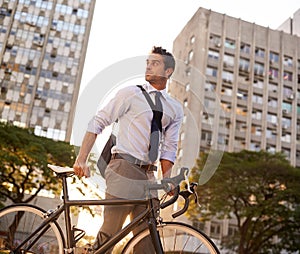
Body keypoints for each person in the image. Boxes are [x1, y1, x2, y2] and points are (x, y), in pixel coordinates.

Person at [73, 46, 184, 253]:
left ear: (168, 71)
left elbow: (169, 147)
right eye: (148, 62)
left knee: (147, 241)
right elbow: (98, 122)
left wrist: (167, 177)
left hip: (149, 176)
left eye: (156, 63)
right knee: (111, 233)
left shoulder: (174, 108)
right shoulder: (130, 93)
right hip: (124, 165)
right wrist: (82, 158)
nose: (149, 65)